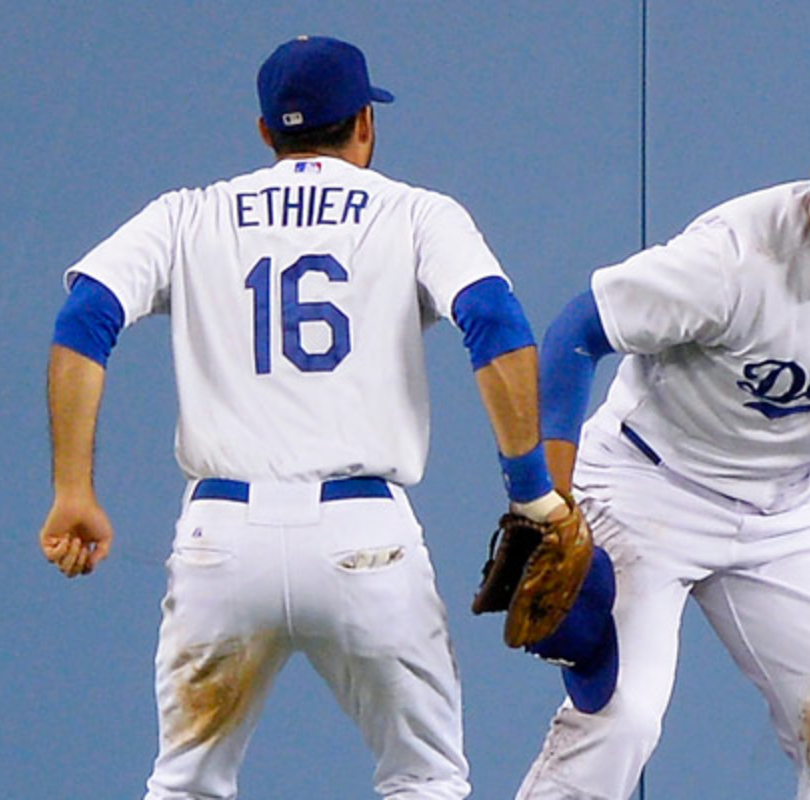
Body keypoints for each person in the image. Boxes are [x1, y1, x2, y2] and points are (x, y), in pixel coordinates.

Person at [37, 35, 566, 800]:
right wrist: (531, 493)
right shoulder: (415, 212)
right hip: (364, 541)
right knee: (425, 779)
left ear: (265, 135)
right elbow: (495, 321)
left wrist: (73, 489)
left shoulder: (190, 214)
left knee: (185, 786)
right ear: (364, 124)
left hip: (223, 541)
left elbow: (83, 318)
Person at [518, 98, 810, 800]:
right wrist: (551, 507)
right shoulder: (735, 258)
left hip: (787, 511)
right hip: (651, 486)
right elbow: (575, 331)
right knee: (620, 724)